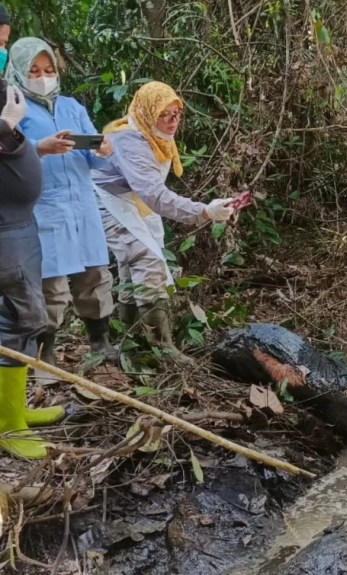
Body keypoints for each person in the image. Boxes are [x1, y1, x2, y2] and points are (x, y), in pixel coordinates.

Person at [92, 81, 236, 360]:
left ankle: (133, 341)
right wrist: (205, 211)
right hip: (109, 202)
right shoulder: (129, 141)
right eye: (165, 115)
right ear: (148, 113)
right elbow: (155, 195)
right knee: (146, 259)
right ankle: (161, 346)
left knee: (132, 264)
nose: (173, 122)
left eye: (177, 114)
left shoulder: (153, 134)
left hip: (132, 201)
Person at [6, 38, 119, 374]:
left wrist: (101, 151)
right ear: (19, 72)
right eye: (35, 70)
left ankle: (100, 343)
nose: (44, 76)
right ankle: (46, 357)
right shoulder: (13, 109)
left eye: (49, 69)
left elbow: (94, 160)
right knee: (51, 287)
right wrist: (39, 147)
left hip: (82, 205)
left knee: (95, 277)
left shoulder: (72, 106)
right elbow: (8, 156)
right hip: (44, 207)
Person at [0, 79, 64, 459]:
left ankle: (13, 408)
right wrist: (6, 123)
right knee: (12, 324)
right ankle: (9, 427)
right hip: (5, 233)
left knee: (20, 322)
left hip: (18, 226)